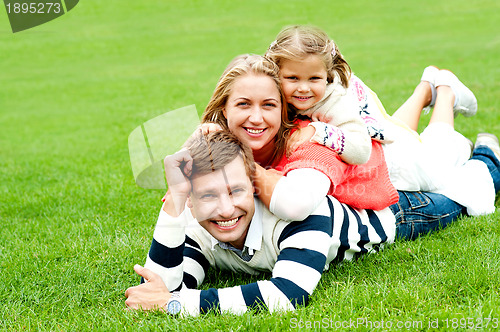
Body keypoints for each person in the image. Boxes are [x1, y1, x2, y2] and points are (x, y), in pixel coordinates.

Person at [125, 130, 500, 315]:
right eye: (207, 196)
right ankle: (453, 147)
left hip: (393, 217)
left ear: (254, 183)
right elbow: (167, 283)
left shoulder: (297, 217)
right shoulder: (193, 219)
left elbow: (289, 293)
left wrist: (176, 306)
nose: (225, 209)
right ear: (190, 199)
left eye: (236, 191)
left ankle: (486, 152)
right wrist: (174, 200)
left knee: (470, 197)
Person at [266, 25, 495, 216]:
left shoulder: (335, 101)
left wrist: (318, 131)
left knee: (440, 159)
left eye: (314, 78)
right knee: (398, 132)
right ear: (276, 73)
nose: (303, 87)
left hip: (397, 162)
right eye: (292, 78)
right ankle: (425, 88)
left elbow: (361, 150)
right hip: (384, 138)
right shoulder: (280, 91)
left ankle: (446, 91)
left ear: (327, 75)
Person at [199, 54, 398, 220]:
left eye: (269, 105)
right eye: (243, 104)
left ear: (283, 108)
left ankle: (426, 89)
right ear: (224, 108)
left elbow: (295, 207)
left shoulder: (305, 141)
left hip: (391, 186)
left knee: (421, 155)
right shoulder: (218, 136)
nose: (257, 119)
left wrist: (240, 162)